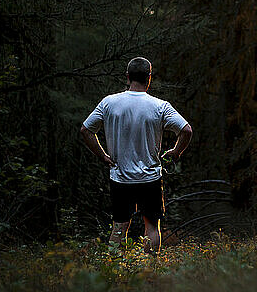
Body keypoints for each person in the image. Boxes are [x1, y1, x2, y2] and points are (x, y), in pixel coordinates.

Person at [80, 57, 192, 254]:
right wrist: (176, 152)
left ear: (127, 76)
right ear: (149, 78)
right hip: (150, 177)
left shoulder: (109, 103)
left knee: (119, 226)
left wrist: (102, 155)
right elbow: (186, 130)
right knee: (152, 226)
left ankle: (115, 271)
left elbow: (86, 130)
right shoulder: (160, 106)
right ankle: (149, 270)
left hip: (120, 177)